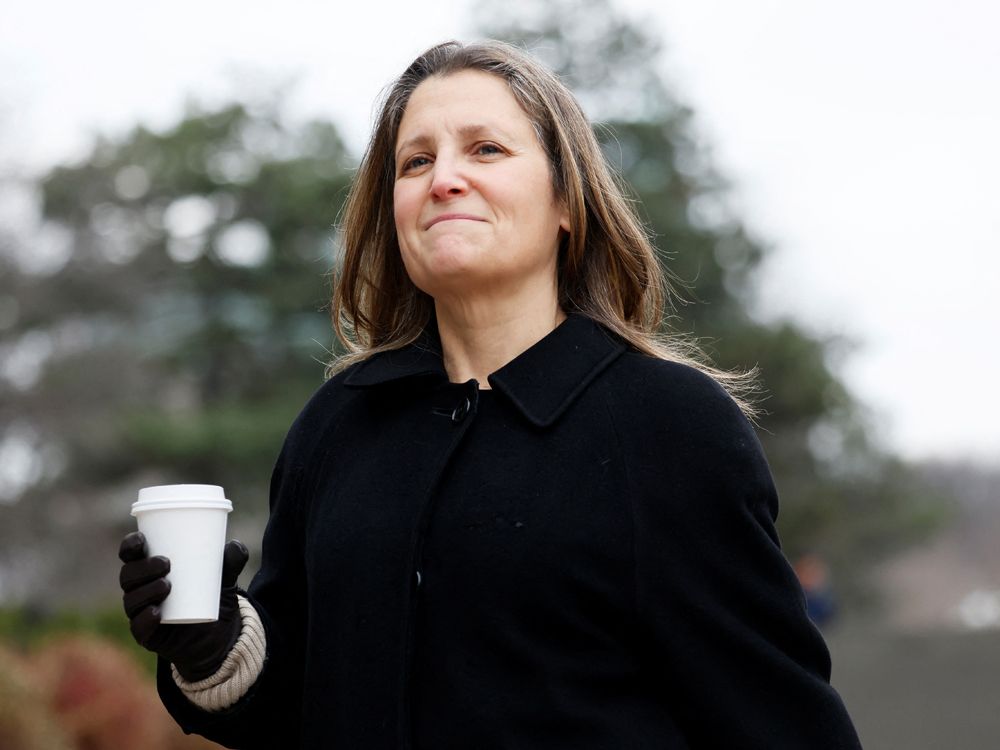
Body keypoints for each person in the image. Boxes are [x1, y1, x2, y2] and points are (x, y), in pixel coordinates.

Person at [118, 40, 863, 748]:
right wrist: (214, 644)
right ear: (395, 212)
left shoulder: (671, 426)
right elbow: (295, 707)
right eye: (415, 162)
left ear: (567, 200)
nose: (444, 178)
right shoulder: (336, 427)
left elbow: (780, 725)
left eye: (486, 149)